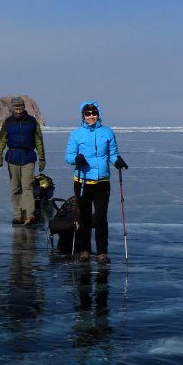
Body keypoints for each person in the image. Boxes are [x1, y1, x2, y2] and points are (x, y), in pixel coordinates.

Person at [64, 101, 127, 263]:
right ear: (82, 116)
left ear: (98, 114)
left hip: (102, 182)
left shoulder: (107, 132)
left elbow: (112, 154)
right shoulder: (76, 134)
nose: (91, 116)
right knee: (84, 217)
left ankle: (102, 252)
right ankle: (84, 250)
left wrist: (117, 160)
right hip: (83, 181)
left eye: (93, 113)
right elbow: (69, 156)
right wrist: (76, 159)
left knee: (101, 217)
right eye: (87, 113)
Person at [0, 96, 45, 226]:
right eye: (16, 108)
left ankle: (29, 215)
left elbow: (39, 140)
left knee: (27, 187)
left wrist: (42, 157)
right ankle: (18, 215)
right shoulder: (8, 122)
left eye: (20, 108)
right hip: (13, 158)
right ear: (13, 109)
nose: (18, 111)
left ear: (24, 108)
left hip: (28, 157)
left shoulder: (32, 121)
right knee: (15, 188)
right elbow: (1, 139)